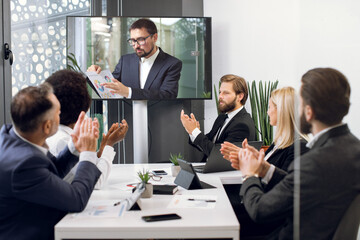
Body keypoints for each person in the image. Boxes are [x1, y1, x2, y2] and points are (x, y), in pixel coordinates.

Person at [231, 68, 360, 239]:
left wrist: (249, 175)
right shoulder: (353, 148)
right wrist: (265, 169)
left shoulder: (313, 161)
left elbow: (260, 210)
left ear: (309, 112)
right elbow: (301, 185)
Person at [0, 83, 101, 240]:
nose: (61, 115)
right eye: (58, 113)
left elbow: (51, 171)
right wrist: (88, 153)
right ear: (47, 126)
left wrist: (74, 147)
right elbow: (77, 200)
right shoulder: (24, 164)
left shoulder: (11, 136)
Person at [220, 86, 309, 237]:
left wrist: (252, 171)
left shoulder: (299, 148)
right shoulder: (278, 144)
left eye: (269, 107)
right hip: (255, 205)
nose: (267, 112)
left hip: (265, 218)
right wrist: (247, 159)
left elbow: (283, 192)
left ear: (282, 111)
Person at [45, 69, 128, 189]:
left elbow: (88, 167)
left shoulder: (55, 134)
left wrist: (102, 150)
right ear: (86, 106)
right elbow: (94, 182)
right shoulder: (63, 141)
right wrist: (110, 144)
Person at [88, 18, 182, 100]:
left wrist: (128, 92)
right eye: (133, 40)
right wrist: (93, 76)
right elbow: (108, 89)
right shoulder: (125, 61)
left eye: (141, 40)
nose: (136, 46)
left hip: (156, 117)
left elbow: (168, 96)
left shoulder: (172, 64)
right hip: (126, 116)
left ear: (155, 37)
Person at [181, 74, 256, 162]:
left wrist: (195, 131)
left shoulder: (242, 125)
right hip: (210, 170)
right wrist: (192, 131)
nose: (220, 96)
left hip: (224, 174)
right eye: (220, 92)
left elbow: (220, 156)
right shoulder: (222, 117)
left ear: (240, 96)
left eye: (226, 93)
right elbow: (207, 143)